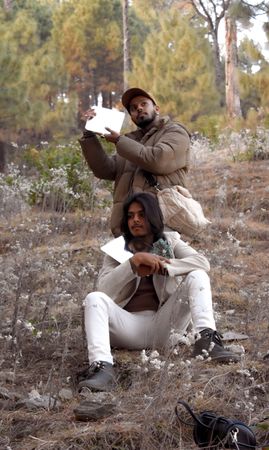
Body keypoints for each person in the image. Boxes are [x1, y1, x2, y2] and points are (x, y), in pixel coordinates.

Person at [78, 193, 239, 392]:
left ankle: (207, 342)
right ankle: (102, 368)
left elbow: (202, 262)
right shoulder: (116, 248)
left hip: (166, 327)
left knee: (197, 275)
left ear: (153, 216)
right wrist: (132, 264)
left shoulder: (170, 240)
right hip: (127, 327)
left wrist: (161, 265)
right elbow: (104, 289)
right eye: (130, 216)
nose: (135, 220)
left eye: (141, 214)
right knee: (94, 298)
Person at [79, 87, 191, 236]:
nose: (138, 108)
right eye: (133, 108)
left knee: (161, 260)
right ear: (131, 116)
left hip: (162, 225)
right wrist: (89, 134)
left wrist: (119, 140)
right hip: (129, 228)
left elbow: (158, 160)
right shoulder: (130, 140)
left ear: (157, 109)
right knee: (116, 261)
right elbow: (104, 170)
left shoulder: (175, 132)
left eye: (143, 104)